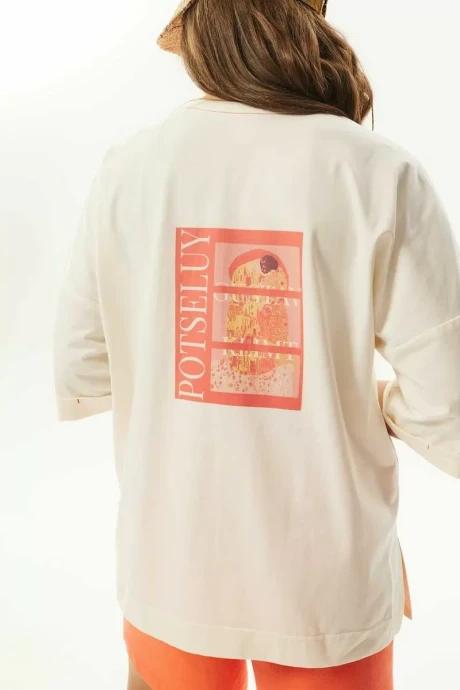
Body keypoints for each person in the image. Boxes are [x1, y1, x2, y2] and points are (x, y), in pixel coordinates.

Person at [54, 0, 460, 688]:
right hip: (322, 585)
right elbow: (449, 410)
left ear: (202, 33)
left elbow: (82, 365)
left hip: (171, 566)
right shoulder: (376, 171)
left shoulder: (131, 166)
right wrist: (364, 397)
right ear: (308, 25)